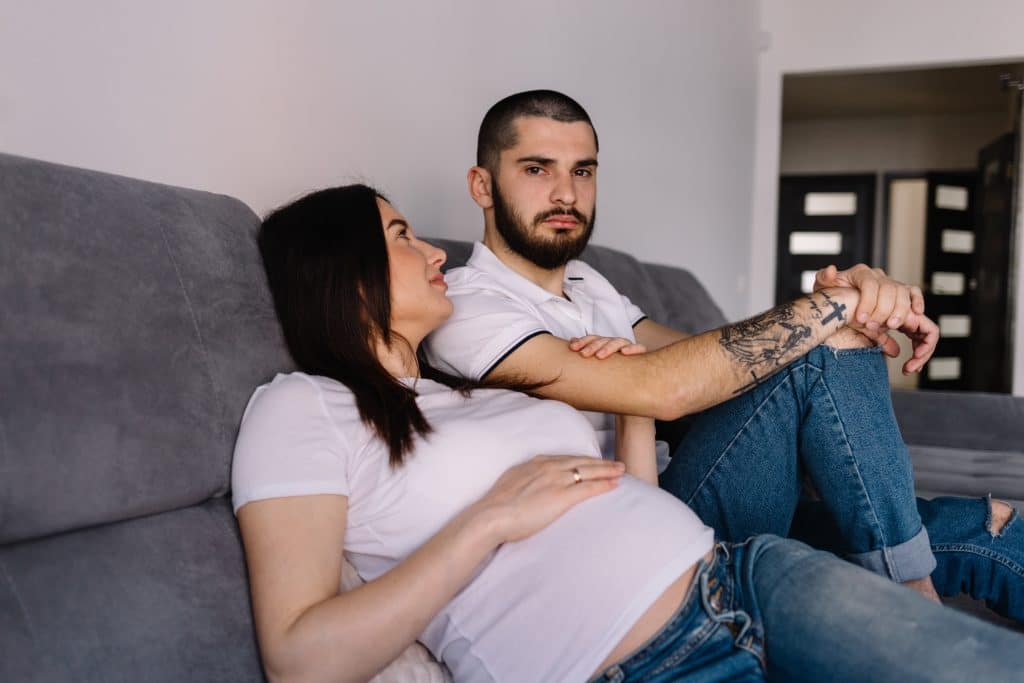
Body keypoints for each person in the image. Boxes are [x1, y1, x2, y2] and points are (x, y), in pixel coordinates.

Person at [232, 184, 1024, 682]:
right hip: (647, 658)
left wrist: (632, 411)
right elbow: (299, 657)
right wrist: (490, 520)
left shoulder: (465, 393)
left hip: (742, 570)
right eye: (400, 234)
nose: (431, 248)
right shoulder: (299, 408)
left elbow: (637, 500)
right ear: (342, 271)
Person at [422, 90, 1023, 618]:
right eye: (536, 169)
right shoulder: (466, 307)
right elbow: (662, 388)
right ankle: (911, 606)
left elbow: (710, 360)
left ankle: (907, 581)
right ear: (482, 184)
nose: (566, 193)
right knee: (823, 336)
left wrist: (822, 304)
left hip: (704, 492)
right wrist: (831, 311)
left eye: (583, 171)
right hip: (636, 539)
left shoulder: (588, 283)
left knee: (985, 529)